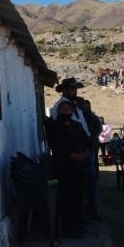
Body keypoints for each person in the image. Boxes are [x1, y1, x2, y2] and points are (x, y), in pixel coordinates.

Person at [45, 100, 91, 238]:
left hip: (79, 167)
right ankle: (67, 228)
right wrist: (71, 155)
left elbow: (87, 142)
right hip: (62, 168)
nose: (66, 112)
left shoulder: (77, 126)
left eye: (68, 110)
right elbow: (56, 146)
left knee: (78, 196)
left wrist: (85, 153)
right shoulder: (54, 127)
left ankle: (77, 225)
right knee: (66, 198)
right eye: (63, 110)